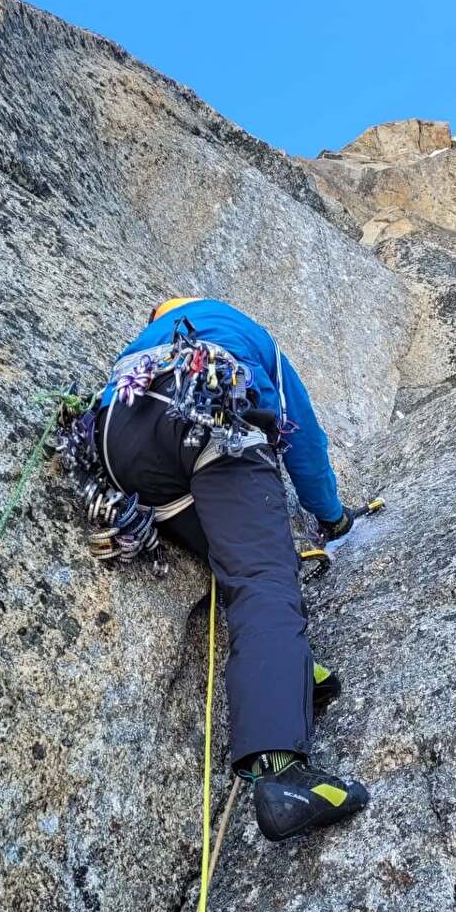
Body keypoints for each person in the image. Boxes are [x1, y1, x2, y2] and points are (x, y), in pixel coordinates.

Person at [92, 296, 369, 842]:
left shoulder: (143, 343)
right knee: (264, 578)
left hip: (115, 443)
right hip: (207, 405)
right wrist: (332, 519)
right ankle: (281, 774)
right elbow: (302, 438)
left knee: (243, 559)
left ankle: (290, 674)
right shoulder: (242, 328)